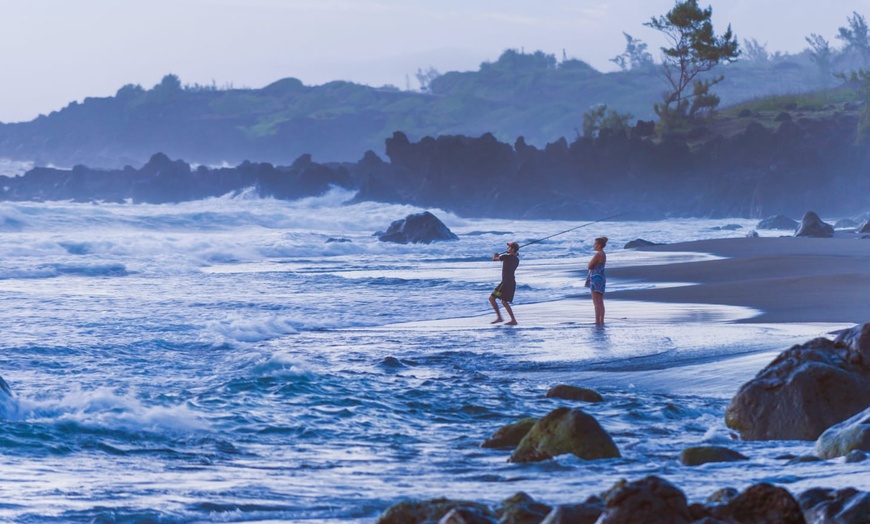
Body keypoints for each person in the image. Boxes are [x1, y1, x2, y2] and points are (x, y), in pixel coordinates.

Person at [489, 241, 520, 325]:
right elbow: (513, 257)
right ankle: (513, 320)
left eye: (509, 247)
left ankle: (500, 318)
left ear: (512, 249)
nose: (507, 249)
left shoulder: (505, 257)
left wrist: (495, 255)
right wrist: (512, 253)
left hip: (505, 283)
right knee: (504, 302)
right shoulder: (517, 260)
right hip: (511, 283)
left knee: (492, 298)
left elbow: (494, 259)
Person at [585, 236, 608, 325]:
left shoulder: (598, 254)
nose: (594, 246)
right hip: (601, 277)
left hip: (595, 278)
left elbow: (589, 266)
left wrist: (590, 264)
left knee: (596, 302)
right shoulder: (603, 254)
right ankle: (601, 320)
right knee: (600, 301)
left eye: (595, 244)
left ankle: (597, 321)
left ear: (599, 245)